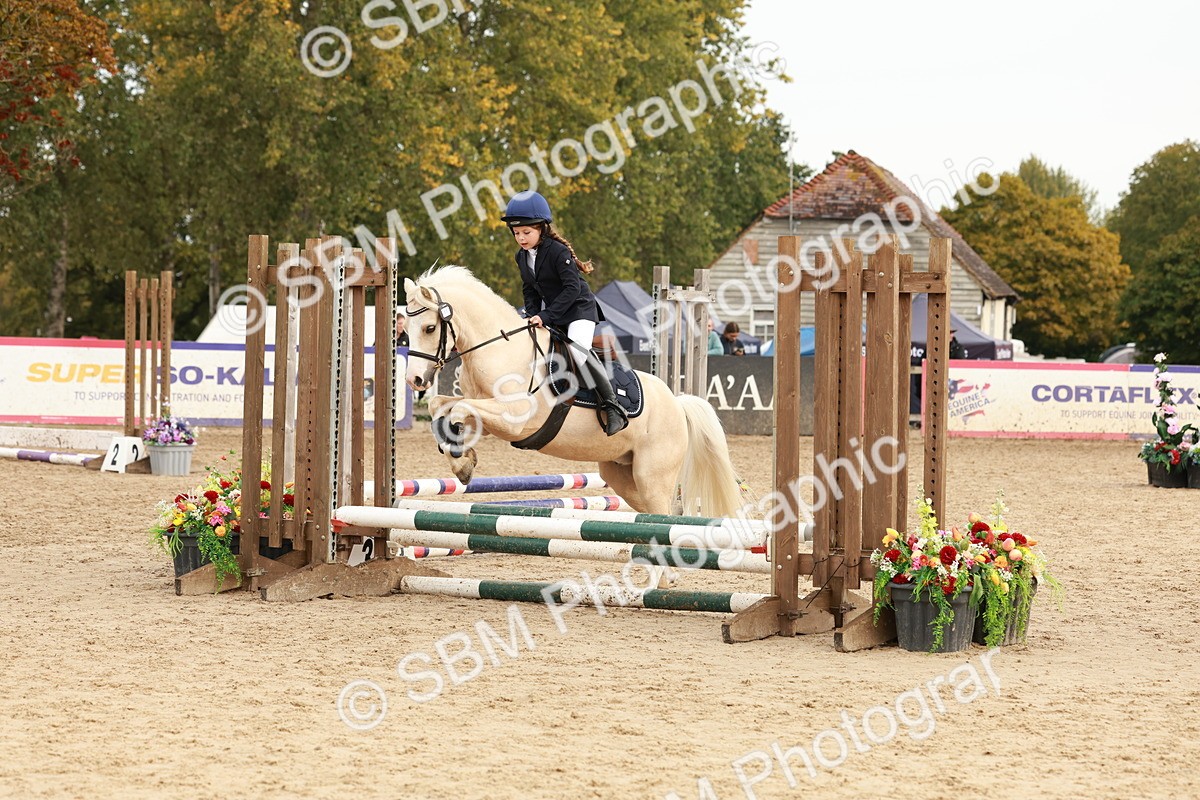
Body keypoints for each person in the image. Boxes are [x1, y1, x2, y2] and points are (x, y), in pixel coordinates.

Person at [501, 190, 628, 436]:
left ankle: (613, 407)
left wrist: (546, 316)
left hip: (579, 309)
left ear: (541, 228)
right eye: (517, 233)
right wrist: (533, 315)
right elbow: (530, 290)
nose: (521, 238)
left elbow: (571, 289)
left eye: (526, 232)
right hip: (555, 313)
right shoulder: (522, 256)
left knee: (578, 352)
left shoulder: (558, 252)